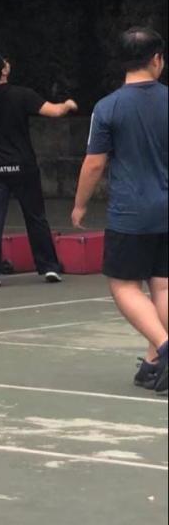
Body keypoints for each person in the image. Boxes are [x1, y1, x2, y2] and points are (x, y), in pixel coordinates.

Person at [72, 27, 168, 394]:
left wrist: (80, 204)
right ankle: (153, 364)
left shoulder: (108, 107)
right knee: (163, 284)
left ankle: (164, 348)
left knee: (124, 285)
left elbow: (94, 163)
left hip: (131, 212)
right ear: (156, 59)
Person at [0, 51, 77, 287]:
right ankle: (49, 267)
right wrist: (67, 104)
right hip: (23, 166)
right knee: (36, 216)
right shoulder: (22, 95)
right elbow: (54, 111)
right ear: (4, 71)